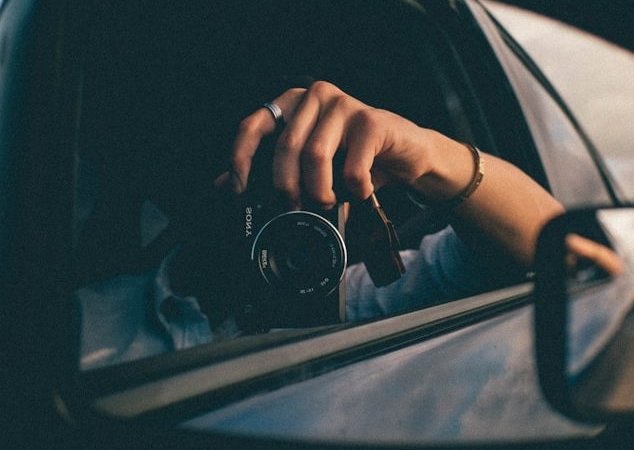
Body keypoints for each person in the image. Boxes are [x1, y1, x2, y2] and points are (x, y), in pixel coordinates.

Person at [78, 81, 565, 369]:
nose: (285, 218)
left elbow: (553, 251)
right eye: (261, 188)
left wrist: (430, 156)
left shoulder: (340, 307)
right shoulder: (78, 326)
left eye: (313, 194)